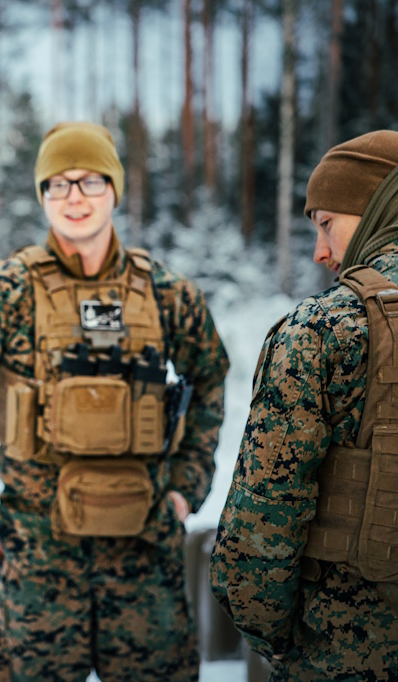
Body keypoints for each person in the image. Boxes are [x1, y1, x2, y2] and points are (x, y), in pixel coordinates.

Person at [0, 121, 229, 681]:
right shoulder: (5, 291)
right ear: (42, 195)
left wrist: (188, 486)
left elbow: (209, 378)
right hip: (38, 563)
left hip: (145, 562)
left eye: (90, 181)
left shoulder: (167, 294)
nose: (74, 198)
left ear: (115, 189)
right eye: (58, 184)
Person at [210, 130, 398, 680]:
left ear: (377, 208)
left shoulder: (323, 328)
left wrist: (280, 643)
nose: (321, 251)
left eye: (326, 223)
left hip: (345, 653)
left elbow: (259, 528)